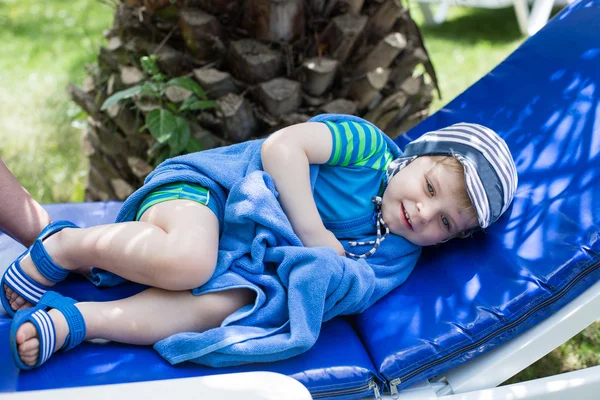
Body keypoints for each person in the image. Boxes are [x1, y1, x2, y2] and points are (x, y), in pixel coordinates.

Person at [2, 114, 518, 370]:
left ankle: (80, 322)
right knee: (189, 260)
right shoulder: (366, 147)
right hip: (212, 193)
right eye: (429, 188)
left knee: (222, 307)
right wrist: (314, 235)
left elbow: (356, 284)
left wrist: (320, 275)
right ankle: (66, 247)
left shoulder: (402, 251)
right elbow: (282, 147)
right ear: (417, 156)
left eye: (445, 222)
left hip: (244, 266)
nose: (424, 213)